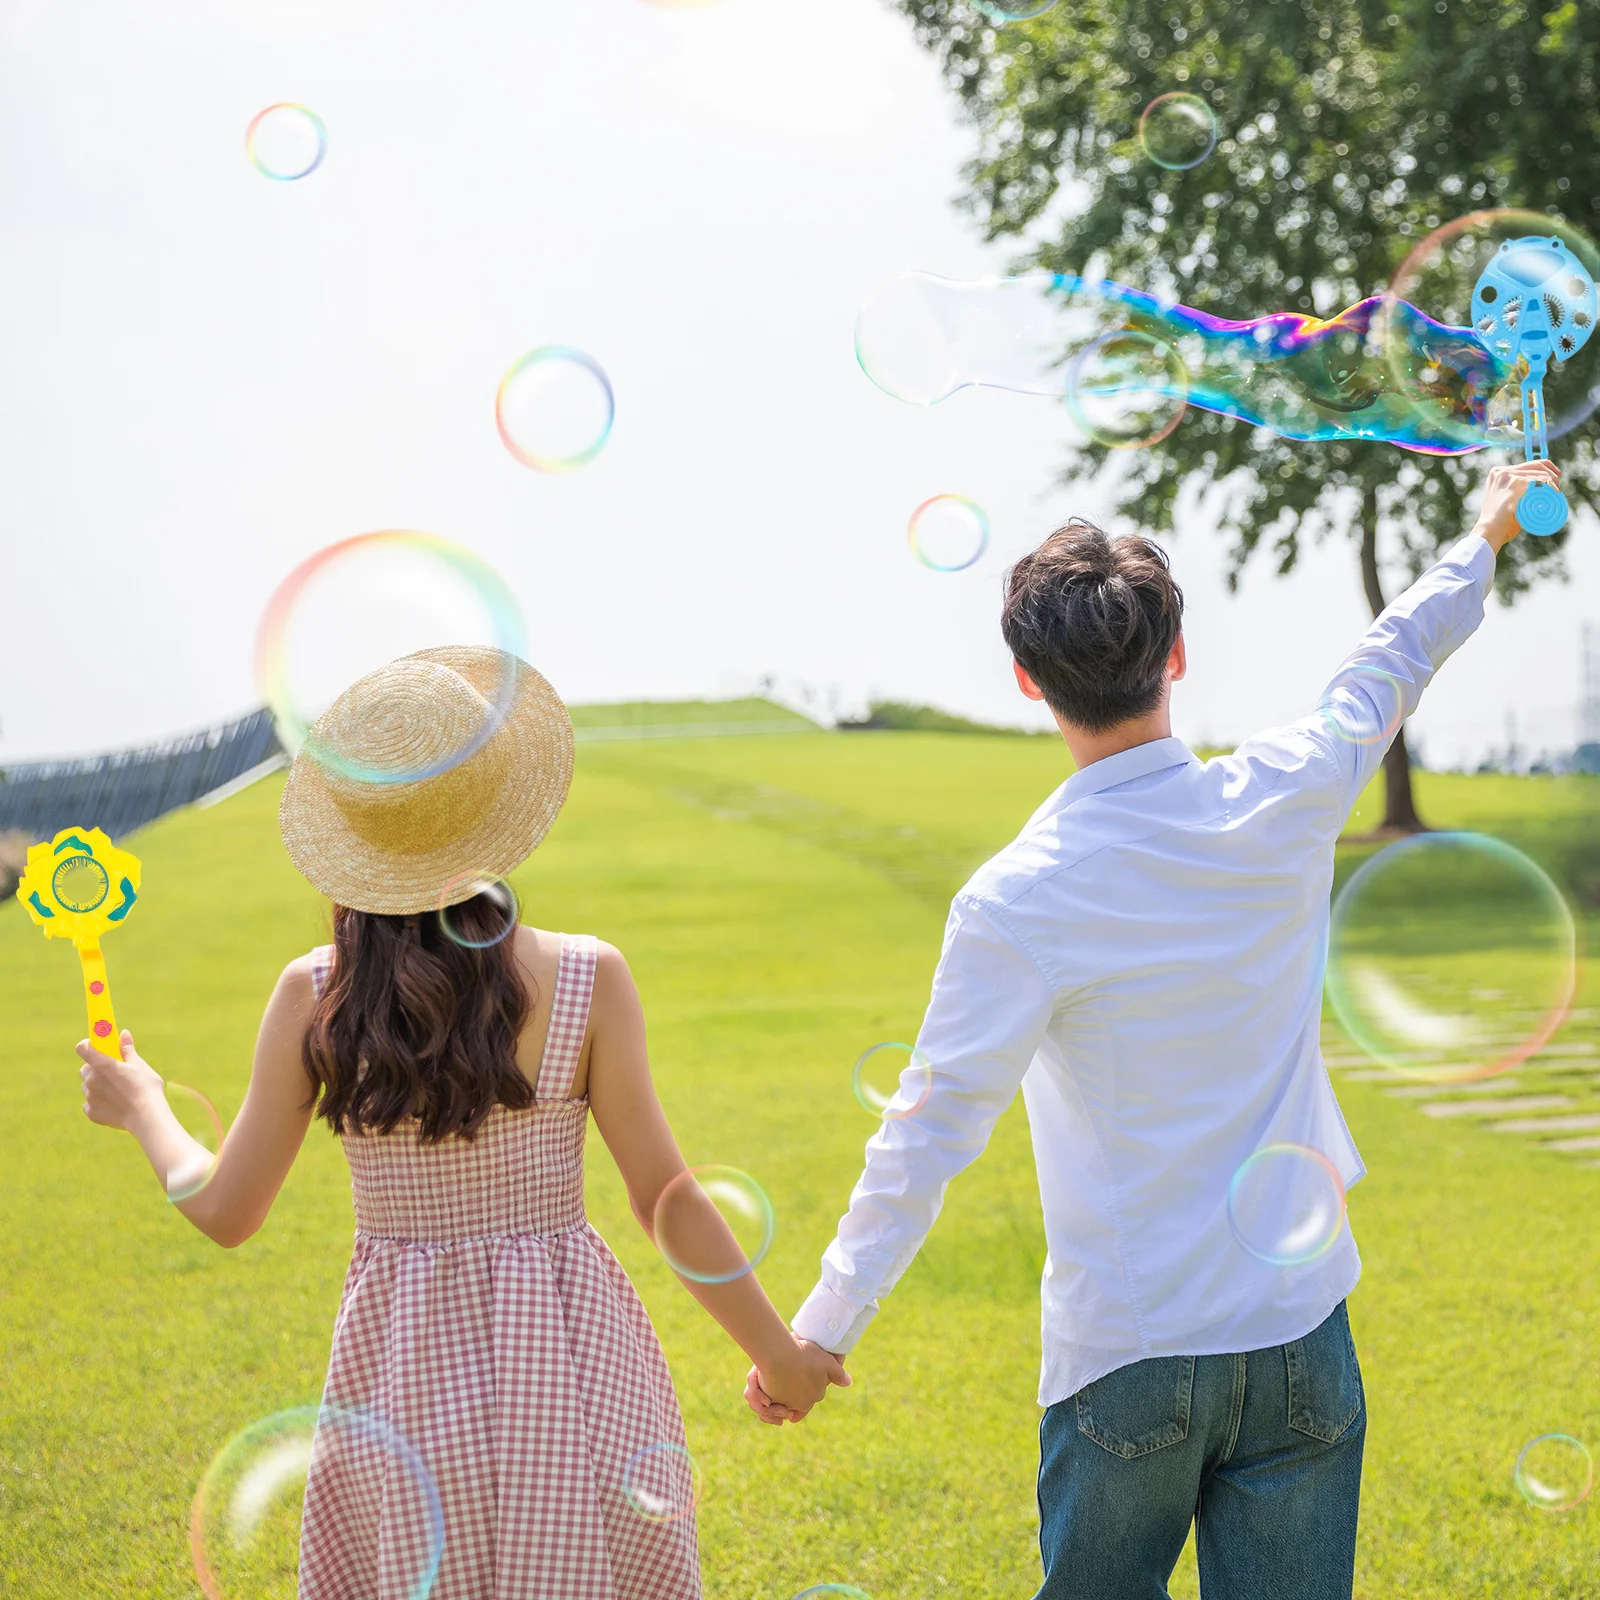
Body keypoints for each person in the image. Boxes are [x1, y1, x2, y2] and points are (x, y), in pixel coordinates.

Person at [748, 459, 1561, 1600]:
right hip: (1300, 1335)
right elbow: (1394, 654)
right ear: (1173, 657)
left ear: (1027, 681)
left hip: (1127, 1359)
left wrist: (820, 1330)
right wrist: (1488, 526)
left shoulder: (1016, 896)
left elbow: (926, 1133)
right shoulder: (1286, 789)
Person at [76, 645, 847, 1600]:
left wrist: (145, 1106)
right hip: (571, 1361)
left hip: (397, 1375)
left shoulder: (316, 996)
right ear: (494, 815)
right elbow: (669, 1199)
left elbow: (227, 1210)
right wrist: (780, 1355)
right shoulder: (587, 977)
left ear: (352, 833)